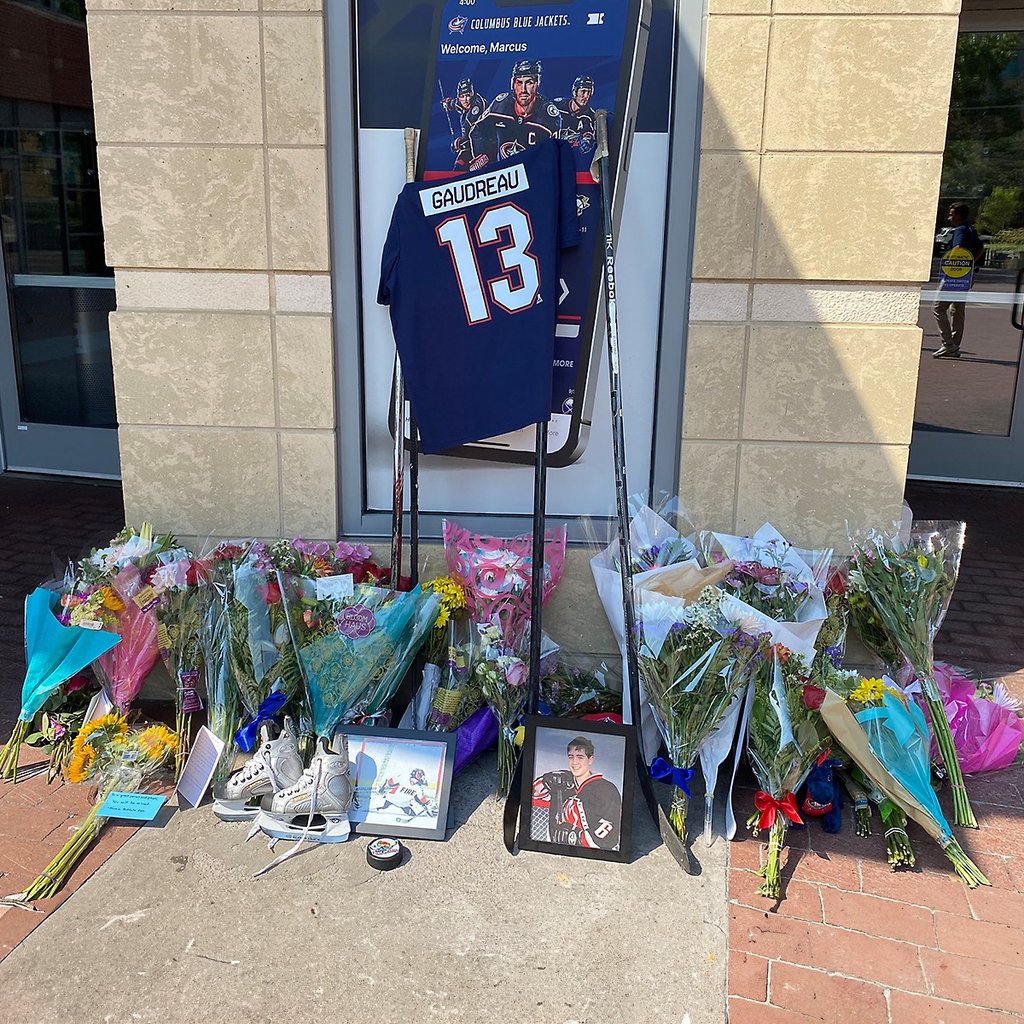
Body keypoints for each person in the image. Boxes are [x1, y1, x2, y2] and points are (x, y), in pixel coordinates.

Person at [532, 735, 622, 850]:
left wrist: (577, 837)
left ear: (590, 760)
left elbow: (609, 833)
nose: (574, 762)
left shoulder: (606, 789)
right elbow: (532, 796)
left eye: (580, 757)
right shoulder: (561, 782)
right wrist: (545, 781)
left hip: (590, 855)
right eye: (571, 757)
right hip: (553, 849)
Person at [468, 59, 561, 167]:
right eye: (519, 83)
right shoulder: (501, 105)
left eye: (529, 82)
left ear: (537, 84)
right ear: (513, 84)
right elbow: (477, 130)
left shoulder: (549, 116)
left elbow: (554, 155)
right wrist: (484, 154)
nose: (523, 89)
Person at [933, 202, 984, 359]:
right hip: (967, 276)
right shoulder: (971, 229)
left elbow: (957, 249)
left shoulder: (960, 230)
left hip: (955, 276)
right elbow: (982, 249)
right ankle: (954, 345)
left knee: (938, 307)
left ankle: (948, 344)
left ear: (959, 215)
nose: (949, 217)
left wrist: (952, 270)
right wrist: (970, 266)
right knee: (957, 310)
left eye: (951, 214)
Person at [441, 78, 488, 171]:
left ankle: (481, 160)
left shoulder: (477, 105)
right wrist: (448, 104)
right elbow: (455, 103)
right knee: (459, 166)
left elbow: (468, 128)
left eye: (468, 95)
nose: (465, 100)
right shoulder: (461, 102)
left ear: (472, 94)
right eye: (462, 96)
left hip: (487, 144)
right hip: (471, 145)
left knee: (475, 130)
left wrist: (458, 143)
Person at [554, 75, 597, 154]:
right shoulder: (557, 106)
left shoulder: (590, 116)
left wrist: (586, 141)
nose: (586, 96)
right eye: (583, 91)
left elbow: (588, 132)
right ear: (575, 92)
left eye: (589, 92)